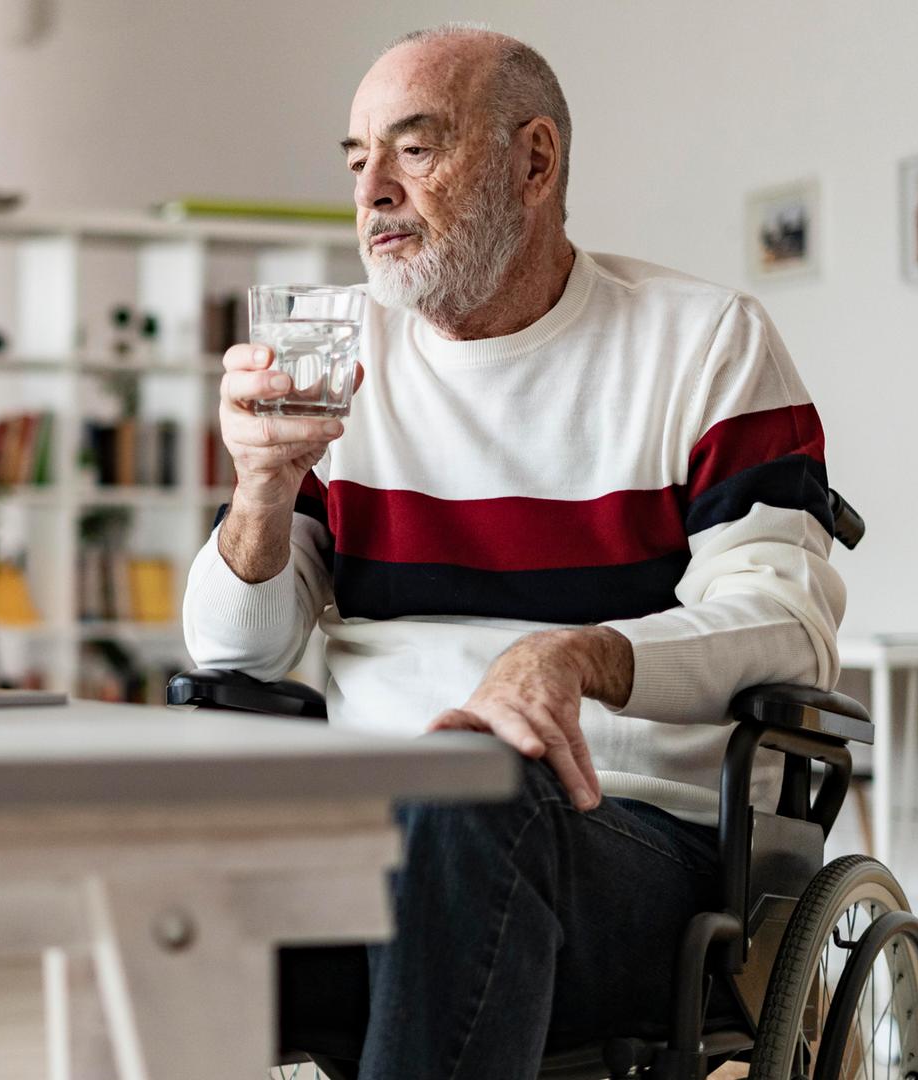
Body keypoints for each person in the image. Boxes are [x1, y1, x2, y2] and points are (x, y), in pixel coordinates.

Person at [181, 23, 846, 1080]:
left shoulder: (703, 342)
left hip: (618, 843)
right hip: (357, 831)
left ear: (534, 161)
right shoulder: (335, 357)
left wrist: (576, 655)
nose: (373, 192)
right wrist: (260, 488)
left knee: (466, 791)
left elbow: (787, 628)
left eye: (414, 149)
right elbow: (235, 654)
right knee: (155, 854)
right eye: (357, 161)